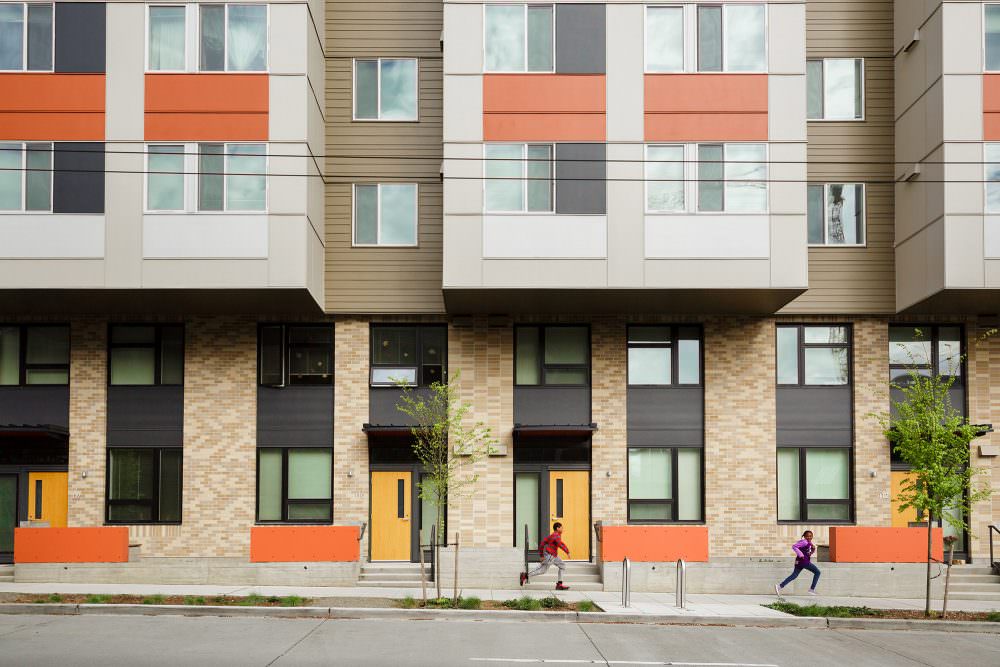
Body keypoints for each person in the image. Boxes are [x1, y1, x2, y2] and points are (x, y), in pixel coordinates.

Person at [520, 522, 571, 590]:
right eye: (561, 528)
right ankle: (525, 576)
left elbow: (542, 544)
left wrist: (541, 555)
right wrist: (567, 552)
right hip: (550, 556)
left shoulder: (552, 535)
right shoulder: (556, 536)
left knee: (562, 566)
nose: (563, 529)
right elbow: (560, 545)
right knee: (542, 570)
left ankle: (559, 584)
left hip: (554, 556)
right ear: (557, 528)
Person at [775, 530, 820, 597]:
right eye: (807, 536)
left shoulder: (809, 543)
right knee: (817, 572)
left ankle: (779, 586)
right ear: (804, 536)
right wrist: (801, 555)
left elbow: (808, 554)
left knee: (794, 575)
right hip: (804, 561)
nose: (809, 537)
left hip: (799, 561)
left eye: (810, 536)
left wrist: (813, 549)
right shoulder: (804, 542)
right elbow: (794, 546)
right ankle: (812, 589)